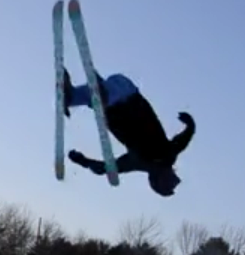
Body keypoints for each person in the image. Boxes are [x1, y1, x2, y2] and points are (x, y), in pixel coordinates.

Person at [63, 69, 195, 197]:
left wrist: (83, 161)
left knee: (83, 99)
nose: (172, 172)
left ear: (159, 178)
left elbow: (106, 169)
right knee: (105, 98)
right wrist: (190, 124)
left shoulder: (143, 161)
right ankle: (97, 90)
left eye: (172, 178)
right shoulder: (165, 155)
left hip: (120, 100)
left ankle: (74, 94)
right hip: (127, 95)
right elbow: (185, 137)